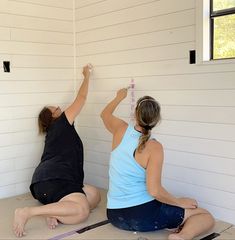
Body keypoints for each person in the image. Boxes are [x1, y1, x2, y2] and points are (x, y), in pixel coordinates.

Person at [100, 88, 214, 240]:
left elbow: (104, 114)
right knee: (205, 216)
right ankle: (181, 237)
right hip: (143, 216)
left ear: (136, 114)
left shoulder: (120, 130)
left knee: (179, 204)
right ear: (157, 120)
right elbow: (154, 191)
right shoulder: (154, 147)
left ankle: (174, 224)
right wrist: (179, 202)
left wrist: (119, 97)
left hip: (114, 215)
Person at [13, 65, 101, 238]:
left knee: (94, 195)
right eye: (56, 109)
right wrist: (86, 76)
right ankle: (27, 212)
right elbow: (81, 98)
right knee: (82, 211)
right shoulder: (61, 124)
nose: (60, 108)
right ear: (53, 117)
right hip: (52, 181)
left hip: (53, 182)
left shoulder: (58, 131)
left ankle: (56, 212)